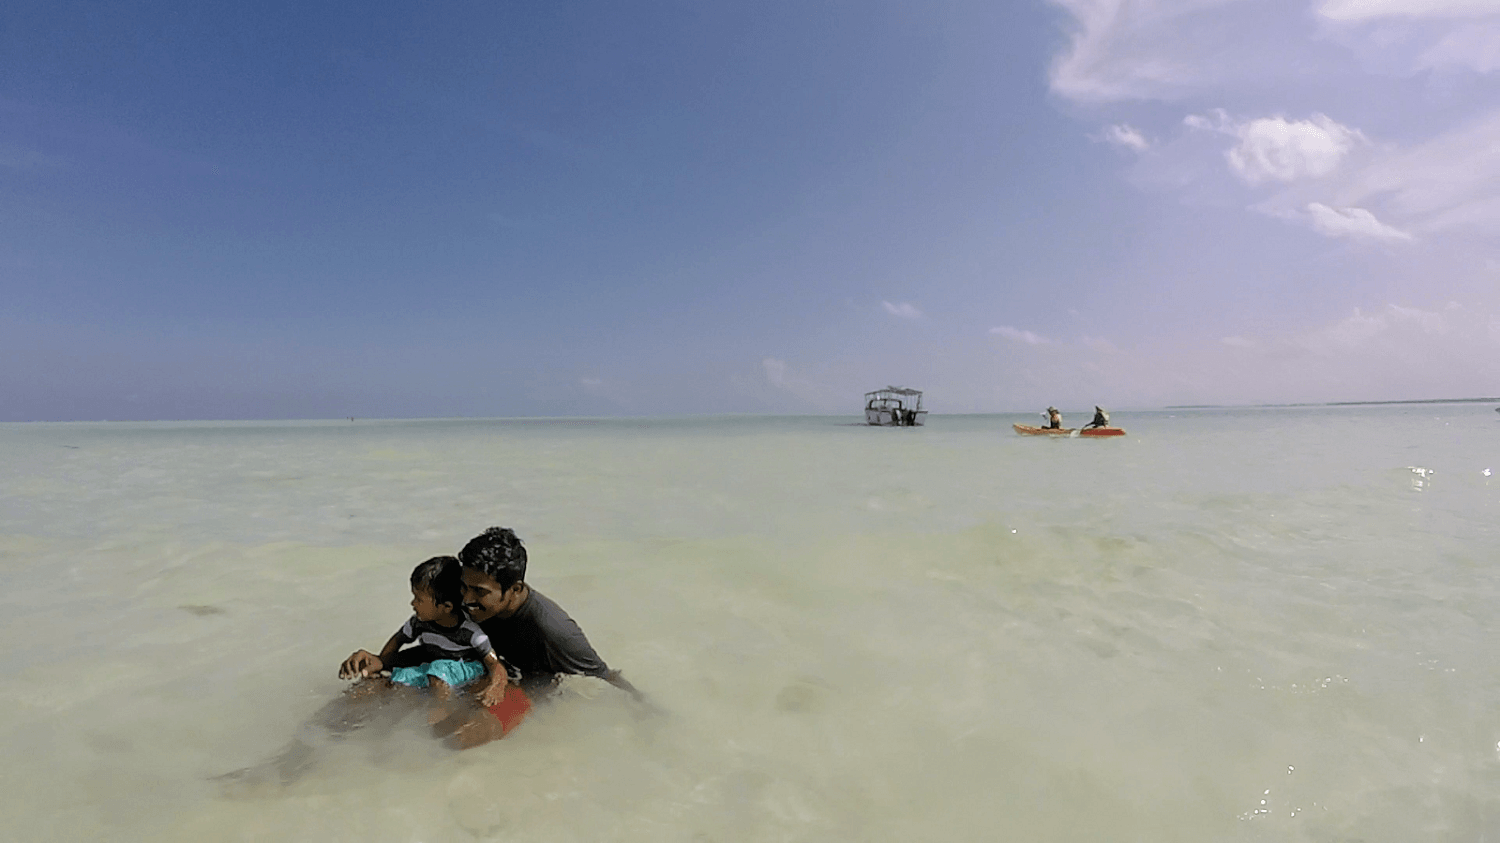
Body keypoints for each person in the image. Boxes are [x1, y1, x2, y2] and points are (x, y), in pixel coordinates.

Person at [340, 527, 642, 748]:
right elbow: (440, 646)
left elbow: (604, 675)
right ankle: (302, 761)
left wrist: (646, 709)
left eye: (479, 592)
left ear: (514, 589)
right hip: (470, 671)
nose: (467, 600)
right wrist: (382, 662)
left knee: (463, 734)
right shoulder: (468, 599)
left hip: (528, 685)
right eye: (464, 587)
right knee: (363, 693)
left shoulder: (554, 630)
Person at [340, 556, 512, 716]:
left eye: (419, 599)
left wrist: (496, 686)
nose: (412, 604)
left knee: (438, 671)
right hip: (434, 668)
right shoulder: (419, 623)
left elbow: (493, 663)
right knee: (399, 677)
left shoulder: (470, 632)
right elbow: (398, 639)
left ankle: (442, 711)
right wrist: (382, 663)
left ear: (446, 607)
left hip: (464, 668)